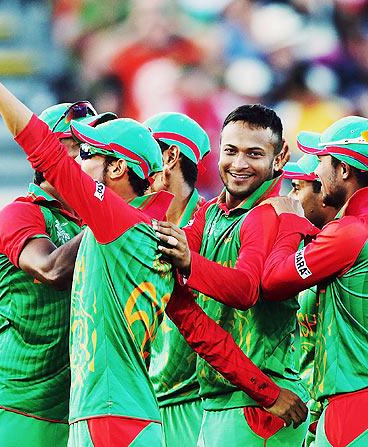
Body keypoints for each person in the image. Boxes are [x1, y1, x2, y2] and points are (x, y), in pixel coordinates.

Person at [0, 21, 307, 447]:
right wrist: (268, 393)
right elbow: (202, 331)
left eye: (88, 152)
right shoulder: (155, 235)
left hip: (104, 419)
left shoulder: (117, 223)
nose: (79, 162)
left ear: (115, 169)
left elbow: (44, 150)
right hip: (129, 417)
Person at [262, 116, 368, 446]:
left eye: (322, 161)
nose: (317, 172)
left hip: (358, 411)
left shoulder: (349, 232)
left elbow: (272, 281)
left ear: (343, 170)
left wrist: (290, 222)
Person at [154, 105, 311, 446]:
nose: (239, 164)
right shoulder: (210, 213)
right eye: (231, 151)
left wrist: (188, 262)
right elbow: (171, 251)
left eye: (254, 154)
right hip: (224, 398)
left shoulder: (267, 214)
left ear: (279, 157)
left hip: (262, 404)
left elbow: (245, 289)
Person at [0, 102, 109, 447]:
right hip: (11, 405)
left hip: (71, 411)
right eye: (87, 150)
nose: (101, 161)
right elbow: (50, 269)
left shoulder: (89, 223)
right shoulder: (20, 213)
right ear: (53, 156)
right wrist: (115, 216)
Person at [144, 112, 211, 447]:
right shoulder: (132, 222)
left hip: (194, 406)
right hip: (138, 403)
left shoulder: (213, 225)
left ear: (169, 156)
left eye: (145, 150)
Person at [281, 152, 339, 445]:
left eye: (297, 188)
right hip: (305, 410)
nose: (290, 198)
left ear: (323, 194)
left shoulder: (337, 249)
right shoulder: (307, 246)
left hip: (329, 412)